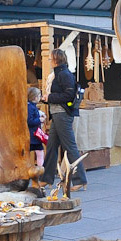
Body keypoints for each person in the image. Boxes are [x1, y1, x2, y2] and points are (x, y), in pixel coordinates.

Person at [41, 48, 86, 190]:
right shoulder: (59, 74)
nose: (49, 60)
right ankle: (46, 178)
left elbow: (69, 95)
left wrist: (50, 97)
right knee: (51, 146)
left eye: (50, 58)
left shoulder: (64, 74)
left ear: (56, 59)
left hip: (62, 114)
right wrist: (47, 99)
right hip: (57, 114)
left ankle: (80, 180)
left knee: (69, 146)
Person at [28, 87, 46, 167]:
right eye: (39, 96)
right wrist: (39, 120)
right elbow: (30, 121)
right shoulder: (31, 107)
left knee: (39, 152)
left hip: (34, 134)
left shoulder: (31, 106)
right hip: (33, 135)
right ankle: (40, 168)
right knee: (39, 152)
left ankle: (40, 168)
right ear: (35, 97)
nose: (40, 97)